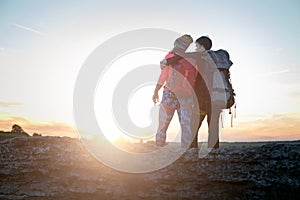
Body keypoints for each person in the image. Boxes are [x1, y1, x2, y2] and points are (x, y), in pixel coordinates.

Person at [162, 36, 223, 149]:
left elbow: (182, 56)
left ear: (202, 46)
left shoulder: (200, 56)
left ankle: (192, 151)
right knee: (213, 126)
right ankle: (214, 154)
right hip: (216, 98)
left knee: (193, 125)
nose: (195, 49)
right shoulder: (215, 58)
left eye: (197, 46)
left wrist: (167, 60)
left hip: (202, 100)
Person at [153, 34, 197, 148]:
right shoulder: (192, 59)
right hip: (186, 96)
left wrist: (155, 91)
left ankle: (159, 146)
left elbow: (162, 77)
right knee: (185, 124)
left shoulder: (169, 57)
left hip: (169, 94)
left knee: (163, 123)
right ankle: (186, 149)